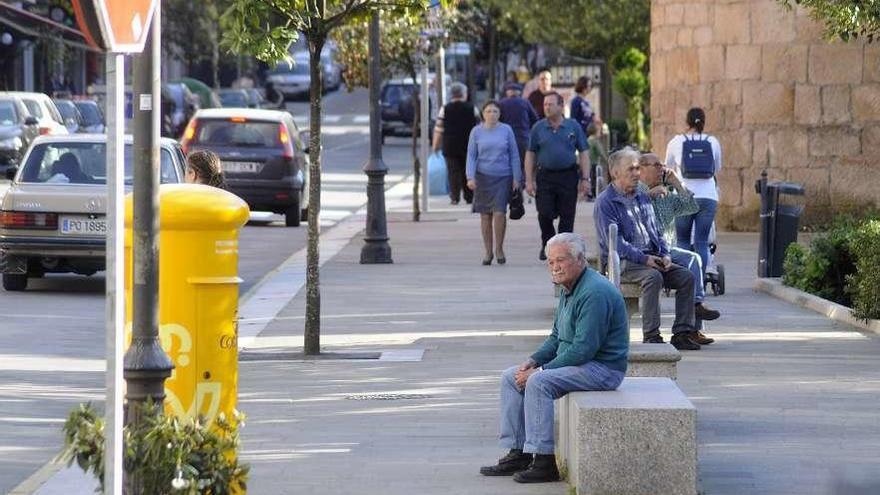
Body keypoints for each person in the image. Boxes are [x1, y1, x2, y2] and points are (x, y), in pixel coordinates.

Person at [479, 233, 628, 483]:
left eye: (561, 260)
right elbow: (557, 336)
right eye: (550, 262)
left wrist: (539, 372)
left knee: (538, 383)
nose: (555, 267)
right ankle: (519, 453)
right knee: (510, 377)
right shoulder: (568, 287)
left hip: (603, 369)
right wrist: (534, 361)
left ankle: (544, 461)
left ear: (580, 260)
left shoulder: (594, 292)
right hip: (581, 363)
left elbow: (584, 349)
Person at [594, 147, 702, 350]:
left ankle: (682, 332)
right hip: (624, 261)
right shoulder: (606, 202)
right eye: (631, 169)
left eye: (637, 168)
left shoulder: (641, 197)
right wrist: (644, 259)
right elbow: (614, 243)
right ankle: (651, 335)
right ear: (615, 172)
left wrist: (665, 254)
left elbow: (656, 232)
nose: (637, 174)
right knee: (654, 277)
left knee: (687, 277)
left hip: (650, 257)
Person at [638, 152, 720, 345]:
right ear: (641, 169)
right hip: (647, 251)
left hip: (667, 251)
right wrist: (649, 194)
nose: (661, 169)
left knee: (691, 269)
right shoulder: (636, 191)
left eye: (662, 165)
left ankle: (689, 330)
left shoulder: (667, 193)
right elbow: (629, 208)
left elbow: (691, 206)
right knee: (693, 259)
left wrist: (676, 182)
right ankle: (696, 310)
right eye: (656, 165)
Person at [524, 92, 590, 261]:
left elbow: (583, 152)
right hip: (545, 175)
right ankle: (548, 243)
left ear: (561, 106)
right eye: (545, 104)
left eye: (551, 104)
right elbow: (530, 154)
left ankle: (563, 250)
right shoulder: (538, 128)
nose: (547, 107)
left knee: (567, 215)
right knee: (544, 213)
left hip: (568, 175)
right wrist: (529, 180)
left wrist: (585, 178)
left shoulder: (572, 126)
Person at [664, 107, 722, 287]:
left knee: (682, 240)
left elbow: (667, 167)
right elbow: (717, 168)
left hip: (684, 196)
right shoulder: (713, 141)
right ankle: (699, 284)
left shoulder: (676, 141)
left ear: (687, 122)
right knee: (702, 242)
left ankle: (684, 281)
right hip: (708, 197)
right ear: (703, 122)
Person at [466, 100, 522, 265]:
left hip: (503, 177)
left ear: (499, 114)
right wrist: (470, 177)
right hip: (483, 177)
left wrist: (516, 178)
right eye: (489, 111)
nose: (492, 114)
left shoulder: (506, 130)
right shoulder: (476, 132)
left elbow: (514, 154)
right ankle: (488, 251)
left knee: (499, 213)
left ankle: (499, 248)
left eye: (495, 111)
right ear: (483, 114)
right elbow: (471, 155)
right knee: (485, 215)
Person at [432, 82, 480, 205]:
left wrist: (435, 145)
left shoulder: (445, 109)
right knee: (468, 170)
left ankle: (454, 197)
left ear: (451, 94)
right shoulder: (472, 108)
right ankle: (469, 197)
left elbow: (439, 129)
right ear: (464, 94)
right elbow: (480, 127)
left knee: (453, 172)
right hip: (468, 145)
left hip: (450, 145)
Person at [498, 82, 539, 178]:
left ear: (507, 92)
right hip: (523, 138)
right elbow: (535, 119)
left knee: (509, 164)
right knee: (523, 164)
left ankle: (512, 186)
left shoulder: (501, 103)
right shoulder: (525, 102)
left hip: (506, 139)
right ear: (519, 92)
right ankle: (521, 185)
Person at [586, 122, 608, 200]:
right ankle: (594, 194)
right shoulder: (595, 141)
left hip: (587, 163)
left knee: (590, 178)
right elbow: (600, 152)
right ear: (595, 132)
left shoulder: (588, 140)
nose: (600, 133)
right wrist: (607, 160)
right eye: (599, 131)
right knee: (595, 179)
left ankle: (589, 194)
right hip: (594, 163)